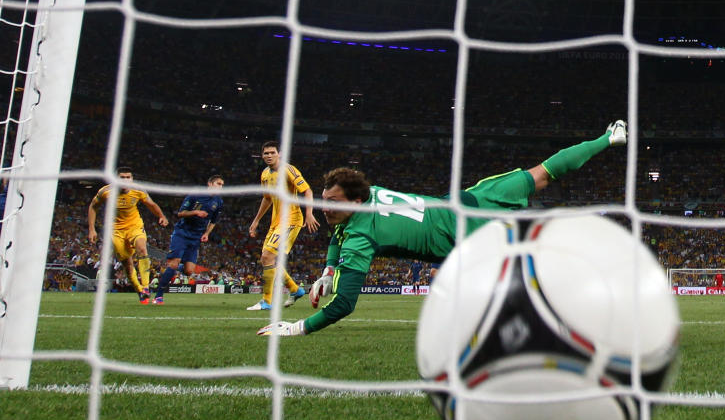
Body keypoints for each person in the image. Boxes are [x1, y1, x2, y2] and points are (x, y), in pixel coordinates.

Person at [257, 120, 628, 336]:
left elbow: (344, 305)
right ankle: (610, 138)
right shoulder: (371, 195)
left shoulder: (359, 235)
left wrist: (296, 328)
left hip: (474, 237)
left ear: (354, 202)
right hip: (470, 200)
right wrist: (328, 269)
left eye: (332, 203)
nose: (324, 208)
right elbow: (338, 235)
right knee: (544, 173)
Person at [247, 141, 319, 310]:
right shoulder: (265, 174)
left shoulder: (289, 170)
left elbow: (307, 191)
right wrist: (256, 220)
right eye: (266, 153)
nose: (269, 156)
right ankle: (295, 290)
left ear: (279, 153)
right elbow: (267, 198)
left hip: (291, 220)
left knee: (267, 257)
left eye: (272, 152)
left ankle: (267, 301)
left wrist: (309, 213)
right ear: (262, 155)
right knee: (267, 259)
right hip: (276, 222)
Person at [87, 167, 169, 304]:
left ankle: (145, 286)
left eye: (128, 177)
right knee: (127, 263)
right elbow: (93, 206)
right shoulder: (105, 191)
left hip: (134, 227)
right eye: (122, 177)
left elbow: (151, 204)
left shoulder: (138, 190)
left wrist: (161, 216)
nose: (125, 180)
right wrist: (91, 229)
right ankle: (140, 291)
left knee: (142, 248)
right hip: (116, 231)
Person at [153, 175, 225, 305]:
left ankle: (174, 267)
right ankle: (158, 296)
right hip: (182, 233)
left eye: (222, 185)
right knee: (173, 263)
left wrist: (207, 233)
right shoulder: (195, 195)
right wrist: (195, 213)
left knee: (188, 271)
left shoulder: (219, 202)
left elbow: (214, 221)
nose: (221, 187)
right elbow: (180, 213)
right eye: (218, 184)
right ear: (210, 183)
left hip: (196, 237)